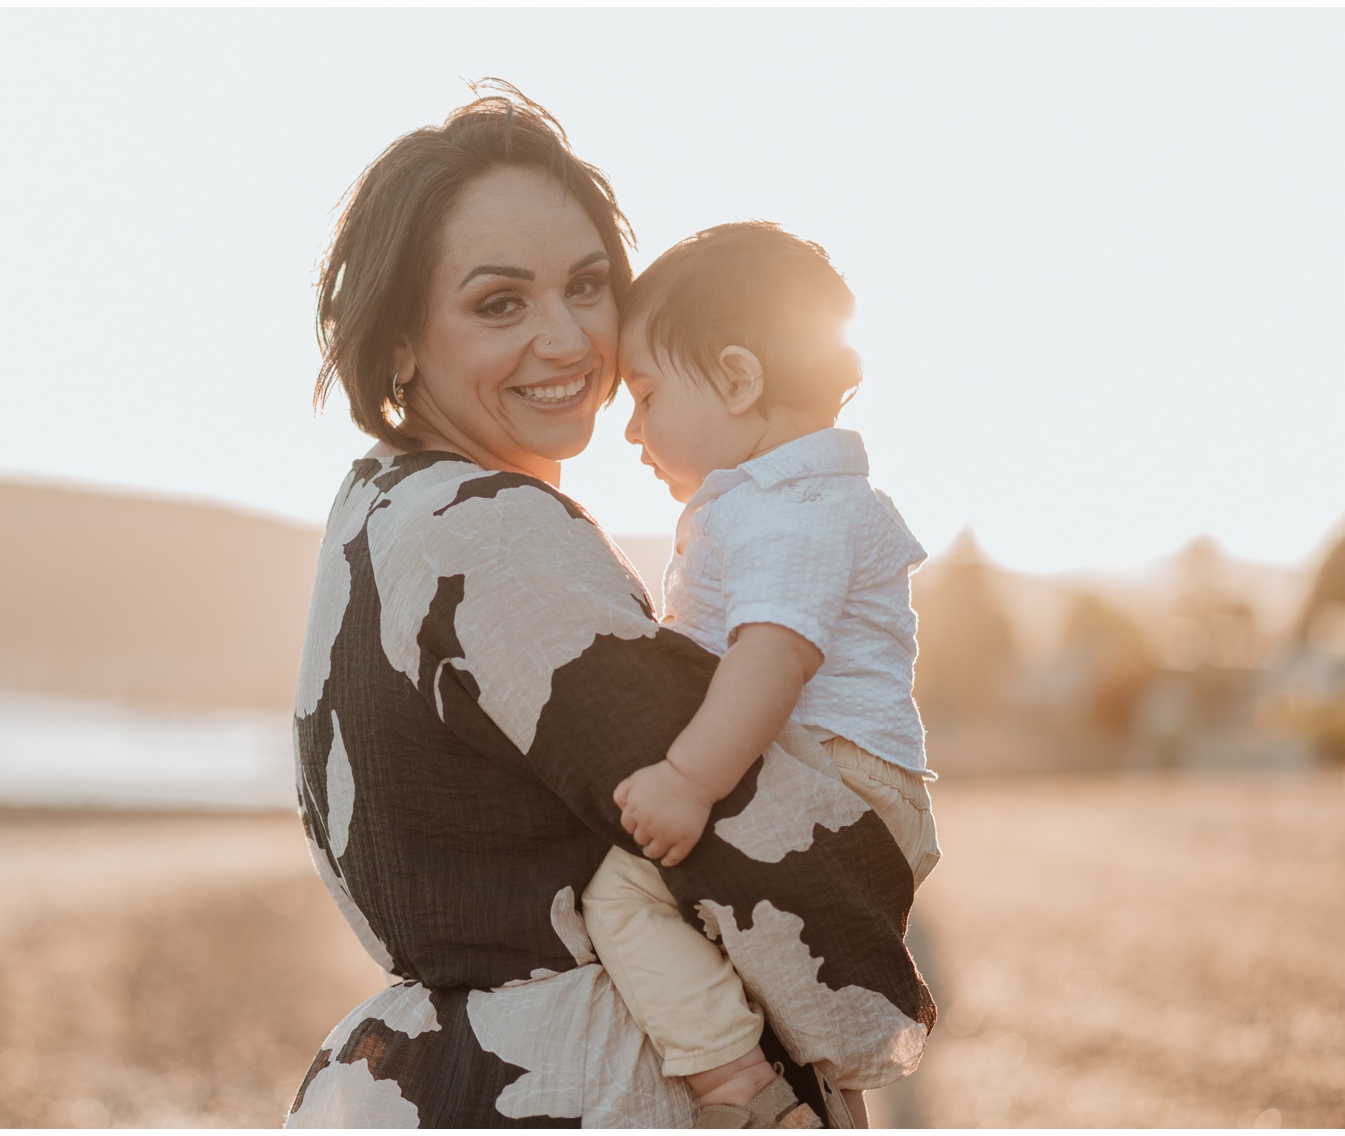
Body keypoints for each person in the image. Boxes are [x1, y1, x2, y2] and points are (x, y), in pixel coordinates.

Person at [288, 83, 933, 1129]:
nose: (569, 340)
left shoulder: (380, 503)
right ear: (399, 344)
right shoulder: (483, 530)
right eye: (499, 303)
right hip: (567, 1090)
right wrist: (847, 1042)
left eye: (587, 285)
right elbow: (740, 833)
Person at [580, 222, 942, 1127]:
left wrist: (688, 781)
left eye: (647, 393)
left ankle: (735, 1089)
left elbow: (774, 656)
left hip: (830, 773)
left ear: (739, 380)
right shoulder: (794, 499)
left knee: (620, 893)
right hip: (840, 774)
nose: (629, 429)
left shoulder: (791, 508)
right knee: (773, 973)